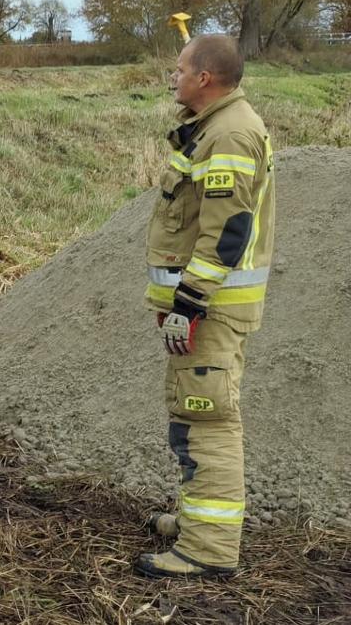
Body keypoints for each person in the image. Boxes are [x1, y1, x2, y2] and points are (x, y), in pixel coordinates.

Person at [134, 35, 274, 579]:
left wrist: (188, 303)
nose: (173, 77)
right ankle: (197, 521)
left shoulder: (230, 134)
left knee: (207, 418)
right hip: (205, 304)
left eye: (179, 69)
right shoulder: (215, 127)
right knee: (192, 418)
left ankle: (207, 549)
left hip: (212, 307)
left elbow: (226, 231)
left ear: (205, 78)